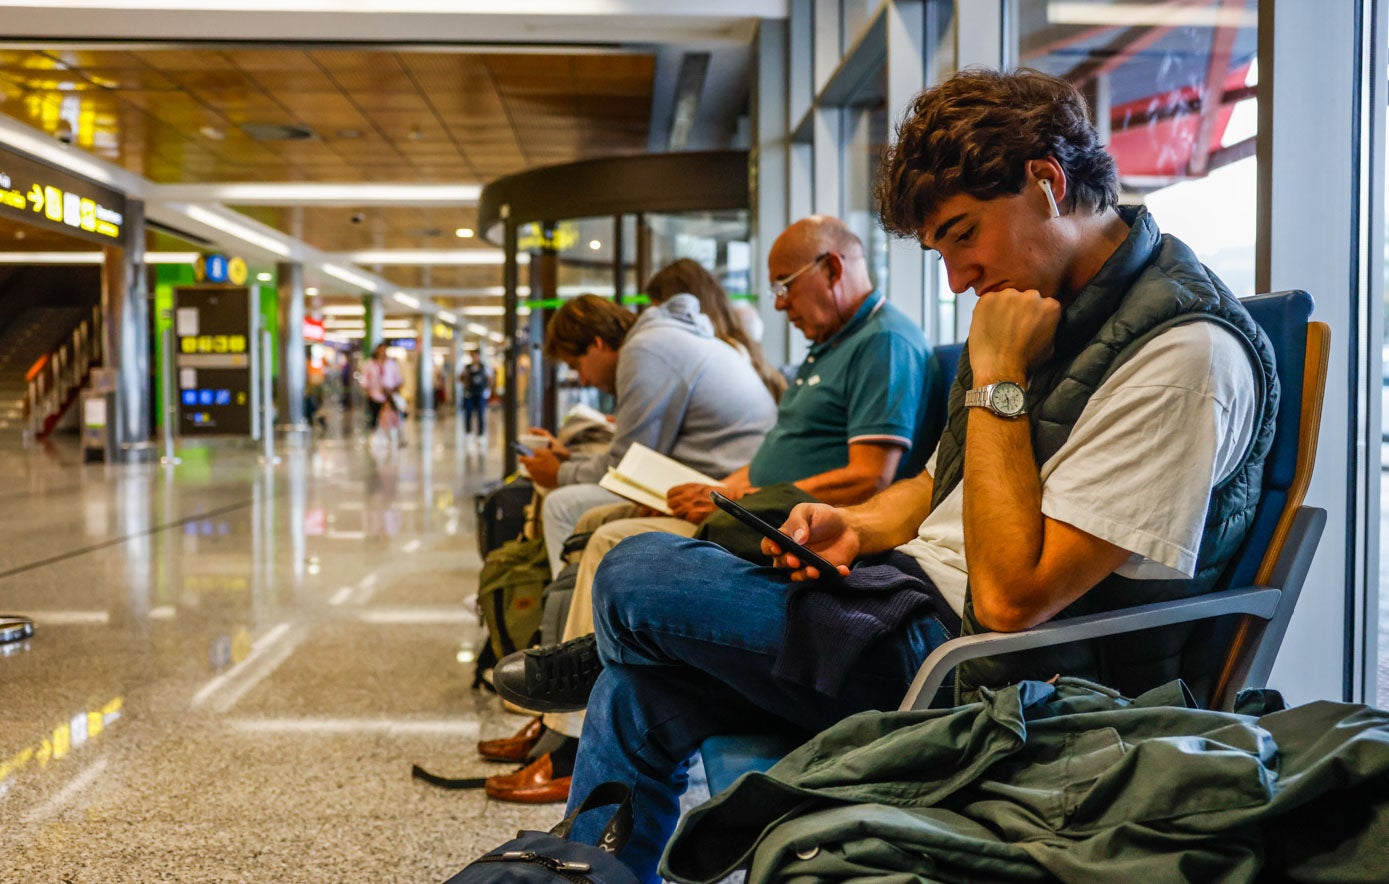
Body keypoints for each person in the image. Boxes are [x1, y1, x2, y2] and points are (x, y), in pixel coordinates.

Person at [501, 68, 1279, 880]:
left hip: (996, 678)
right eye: (940, 250)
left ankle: (605, 643)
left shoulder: (1180, 356)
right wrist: (860, 526)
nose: (956, 277)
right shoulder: (1049, 309)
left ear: (1047, 183)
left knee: (632, 571)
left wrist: (1000, 378)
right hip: (906, 606)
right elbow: (942, 483)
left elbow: (1013, 602)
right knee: (635, 691)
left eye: (963, 233)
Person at [484, 217, 935, 804]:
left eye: (785, 286)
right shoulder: (827, 346)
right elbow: (769, 457)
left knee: (616, 549)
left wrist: (738, 499)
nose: (779, 304)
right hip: (758, 502)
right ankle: (576, 714)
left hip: (794, 517)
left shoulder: (884, 341)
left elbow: (869, 473)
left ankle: (577, 715)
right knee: (603, 549)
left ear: (832, 268)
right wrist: (719, 489)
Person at [519, 288, 779, 578]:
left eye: (577, 365)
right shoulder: (666, 338)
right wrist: (568, 459)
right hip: (735, 473)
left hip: (724, 487)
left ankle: (565, 611)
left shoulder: (644, 349)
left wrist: (559, 473)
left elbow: (627, 463)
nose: (583, 379)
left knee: (560, 505)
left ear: (598, 343)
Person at [644, 257, 786, 402]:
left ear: (686, 306)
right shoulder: (738, 348)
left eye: (662, 311)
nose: (659, 323)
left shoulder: (715, 356)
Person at [360, 342, 404, 445]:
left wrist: (392, 390)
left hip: (388, 396)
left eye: (384, 349)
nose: (382, 352)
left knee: (391, 417)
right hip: (374, 395)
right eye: (380, 349)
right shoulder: (370, 364)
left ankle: (392, 438)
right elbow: (364, 380)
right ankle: (373, 439)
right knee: (374, 417)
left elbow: (398, 380)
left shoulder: (391, 364)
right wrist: (368, 390)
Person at [460, 350, 491, 440]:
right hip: (469, 393)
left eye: (477, 356)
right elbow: (460, 377)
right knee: (468, 413)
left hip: (480, 393)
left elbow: (490, 378)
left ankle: (481, 433)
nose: (475, 358)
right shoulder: (467, 368)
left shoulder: (484, 367)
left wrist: (488, 389)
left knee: (480, 413)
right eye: (474, 356)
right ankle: (468, 432)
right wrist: (465, 383)